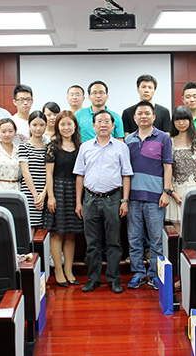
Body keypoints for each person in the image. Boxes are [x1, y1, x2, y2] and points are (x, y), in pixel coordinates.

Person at [74, 110, 133, 294]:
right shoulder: (85, 147)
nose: (103, 125)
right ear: (93, 126)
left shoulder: (121, 147)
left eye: (107, 121)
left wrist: (125, 200)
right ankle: (93, 279)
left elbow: (126, 175)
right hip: (90, 199)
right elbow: (79, 176)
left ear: (113, 125)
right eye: (99, 121)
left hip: (113, 199)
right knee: (92, 243)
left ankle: (114, 279)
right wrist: (78, 202)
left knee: (114, 242)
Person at [125, 101, 173, 290]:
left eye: (147, 113)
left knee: (156, 240)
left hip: (155, 198)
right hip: (133, 198)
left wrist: (166, 192)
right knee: (134, 238)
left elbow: (167, 166)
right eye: (140, 113)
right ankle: (138, 273)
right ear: (134, 117)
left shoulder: (163, 138)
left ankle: (154, 274)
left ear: (153, 117)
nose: (143, 116)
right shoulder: (128, 141)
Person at [44, 110, 83, 287]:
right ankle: (58, 271)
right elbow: (49, 174)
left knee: (71, 234)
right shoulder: (53, 146)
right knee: (57, 233)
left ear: (75, 126)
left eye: (69, 124)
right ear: (57, 126)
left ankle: (69, 270)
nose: (66, 127)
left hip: (75, 191)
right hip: (58, 190)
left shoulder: (81, 147)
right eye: (62, 124)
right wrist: (51, 196)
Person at [165, 106, 196, 233]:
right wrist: (173, 193)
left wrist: (195, 193)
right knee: (180, 234)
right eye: (178, 120)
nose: (181, 123)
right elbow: (167, 170)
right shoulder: (169, 141)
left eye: (184, 119)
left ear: (190, 120)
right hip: (176, 193)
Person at [19, 111, 48, 230]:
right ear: (29, 126)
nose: (38, 128)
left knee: (44, 229)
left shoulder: (49, 146)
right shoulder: (23, 146)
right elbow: (25, 172)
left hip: (45, 193)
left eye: (41, 125)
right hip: (29, 193)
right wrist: (35, 195)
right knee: (30, 228)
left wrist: (43, 194)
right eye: (34, 125)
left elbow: (50, 173)